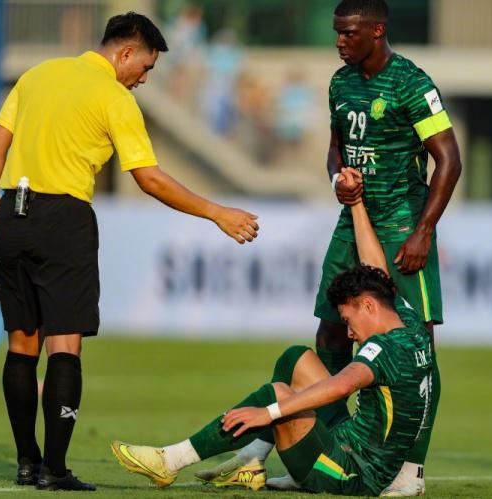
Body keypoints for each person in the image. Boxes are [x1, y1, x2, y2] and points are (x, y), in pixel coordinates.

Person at [189, 1, 460, 494]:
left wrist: (423, 230)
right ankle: (330, 451)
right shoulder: (341, 83)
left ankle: (409, 472)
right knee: (331, 331)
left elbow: (449, 160)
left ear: (377, 31)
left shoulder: (411, 83)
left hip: (402, 223)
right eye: (337, 32)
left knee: (415, 343)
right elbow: (336, 148)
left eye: (349, 33)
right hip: (352, 218)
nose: (339, 41)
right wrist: (339, 178)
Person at [0, 12, 259, 491]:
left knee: (21, 343)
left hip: (11, 213)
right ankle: (54, 468)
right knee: (64, 347)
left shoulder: (37, 75)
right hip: (63, 218)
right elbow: (149, 178)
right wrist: (216, 212)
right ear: (126, 52)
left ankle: (27, 462)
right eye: (146, 67)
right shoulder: (113, 96)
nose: (144, 78)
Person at [111, 167, 434, 497]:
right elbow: (375, 269)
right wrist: (355, 202)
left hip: (351, 473)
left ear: (367, 305)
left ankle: (171, 460)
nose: (349, 333)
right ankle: (251, 459)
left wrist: (266, 414)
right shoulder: (406, 320)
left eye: (348, 321)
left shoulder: (384, 349)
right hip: (349, 442)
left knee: (278, 396)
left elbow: (342, 385)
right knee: (297, 359)